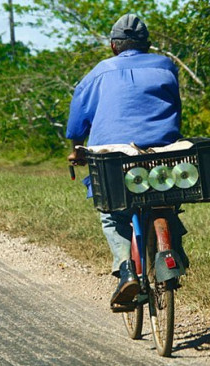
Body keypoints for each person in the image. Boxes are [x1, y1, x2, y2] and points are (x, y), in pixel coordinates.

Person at [66, 14, 187, 311]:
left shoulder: (98, 73)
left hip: (114, 157)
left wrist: (77, 149)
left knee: (112, 213)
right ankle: (172, 252)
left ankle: (126, 270)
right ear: (147, 45)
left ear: (113, 46)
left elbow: (76, 125)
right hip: (164, 153)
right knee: (167, 201)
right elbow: (175, 106)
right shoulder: (165, 66)